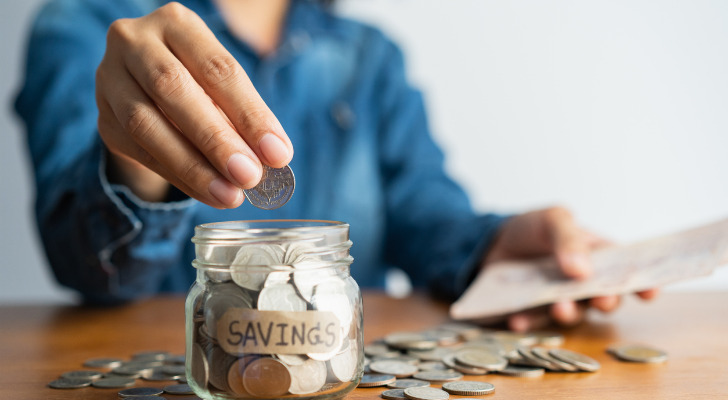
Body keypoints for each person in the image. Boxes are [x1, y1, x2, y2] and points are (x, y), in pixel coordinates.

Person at [15, 0, 656, 332]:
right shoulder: (91, 25)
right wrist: (136, 152)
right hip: (177, 365)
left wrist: (494, 245)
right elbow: (87, 267)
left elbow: (425, 214)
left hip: (336, 362)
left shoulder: (369, 56)